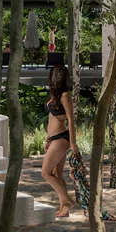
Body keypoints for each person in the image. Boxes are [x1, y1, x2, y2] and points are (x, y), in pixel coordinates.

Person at [42, 65, 78, 217]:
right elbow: (52, 118)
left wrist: (73, 143)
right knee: (57, 173)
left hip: (62, 138)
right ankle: (64, 209)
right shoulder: (54, 96)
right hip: (55, 138)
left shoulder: (65, 96)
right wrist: (48, 139)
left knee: (46, 173)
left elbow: (71, 120)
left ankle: (67, 200)